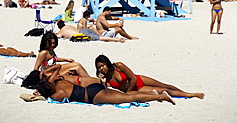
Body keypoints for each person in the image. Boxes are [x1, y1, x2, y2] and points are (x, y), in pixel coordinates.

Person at [37, 64, 175, 105]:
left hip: (93, 96)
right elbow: (58, 67)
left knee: (129, 98)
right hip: (93, 87)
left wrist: (40, 94)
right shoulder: (60, 83)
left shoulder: (57, 96)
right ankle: (151, 94)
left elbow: (48, 99)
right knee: (122, 96)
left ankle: (160, 97)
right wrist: (44, 73)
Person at [95, 55, 204, 99]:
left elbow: (133, 78)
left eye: (102, 65)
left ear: (107, 63)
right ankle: (191, 95)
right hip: (135, 89)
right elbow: (106, 91)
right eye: (99, 67)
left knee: (163, 84)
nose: (101, 69)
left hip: (138, 80)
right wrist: (103, 82)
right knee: (164, 90)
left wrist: (127, 92)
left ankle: (186, 93)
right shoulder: (105, 78)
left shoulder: (118, 66)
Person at [56, 20, 125, 43]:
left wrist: (55, 33)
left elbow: (57, 37)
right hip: (83, 30)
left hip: (81, 34)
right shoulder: (68, 26)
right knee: (98, 36)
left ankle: (116, 39)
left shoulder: (61, 31)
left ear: (59, 27)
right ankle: (103, 36)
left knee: (100, 39)